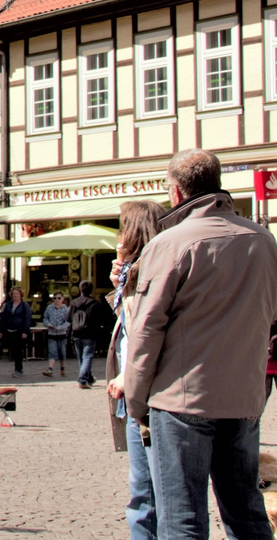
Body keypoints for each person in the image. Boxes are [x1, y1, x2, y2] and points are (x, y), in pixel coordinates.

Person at [125, 148, 277, 540]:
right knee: (246, 512)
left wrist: (136, 401)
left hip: (182, 398)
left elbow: (146, 330)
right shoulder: (264, 241)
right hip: (243, 395)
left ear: (176, 192)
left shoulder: (170, 244)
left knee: (183, 518)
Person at [105, 200, 166, 540]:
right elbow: (129, 327)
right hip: (136, 392)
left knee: (151, 491)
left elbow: (146, 333)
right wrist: (120, 287)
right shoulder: (135, 272)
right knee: (144, 490)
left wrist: (127, 374)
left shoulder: (152, 273)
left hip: (146, 395)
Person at [69, 279, 107, 388]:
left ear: (80, 290)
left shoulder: (74, 303)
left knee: (81, 357)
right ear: (91, 291)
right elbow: (101, 319)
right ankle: (82, 380)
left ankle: (88, 378)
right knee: (87, 356)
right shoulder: (95, 303)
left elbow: (68, 318)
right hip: (89, 333)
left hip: (76, 333)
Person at [0, 286, 33, 377]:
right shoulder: (8, 305)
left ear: (20, 295)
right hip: (10, 330)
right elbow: (3, 318)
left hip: (19, 330)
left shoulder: (25, 306)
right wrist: (1, 330)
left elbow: (27, 319)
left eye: (17, 294)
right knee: (13, 349)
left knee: (18, 350)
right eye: (14, 294)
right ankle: (18, 368)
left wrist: (25, 331)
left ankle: (18, 369)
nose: (15, 295)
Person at [42, 291, 70, 378]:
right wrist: (48, 324)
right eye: (55, 298)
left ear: (62, 299)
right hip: (52, 333)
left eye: (59, 298)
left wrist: (61, 327)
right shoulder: (49, 308)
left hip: (62, 334)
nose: (57, 300)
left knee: (62, 352)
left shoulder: (66, 309)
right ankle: (50, 369)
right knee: (52, 351)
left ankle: (62, 369)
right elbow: (45, 318)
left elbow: (68, 321)